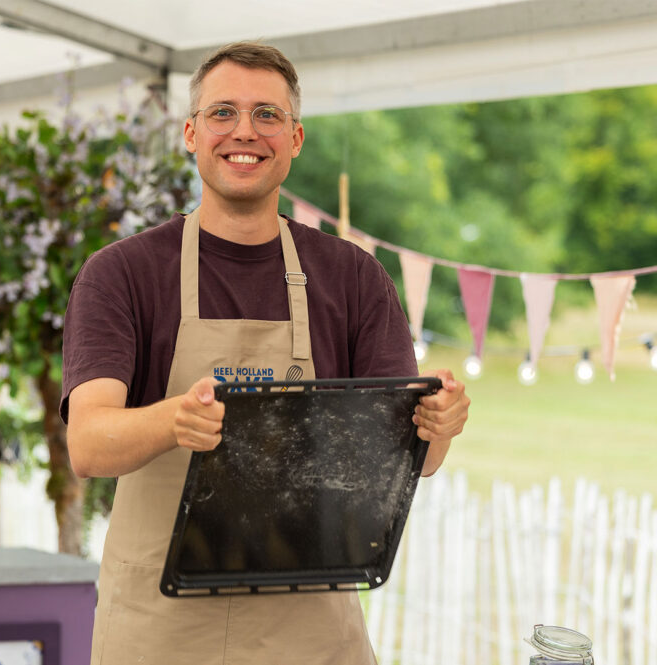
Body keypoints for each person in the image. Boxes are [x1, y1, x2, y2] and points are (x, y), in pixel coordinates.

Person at [61, 41, 470, 665]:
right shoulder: (121, 274)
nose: (244, 131)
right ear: (191, 134)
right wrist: (176, 420)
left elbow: (421, 456)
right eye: (223, 113)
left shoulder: (355, 277)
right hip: (161, 630)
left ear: (296, 137)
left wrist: (437, 424)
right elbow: (89, 446)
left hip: (310, 629)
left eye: (267, 115)